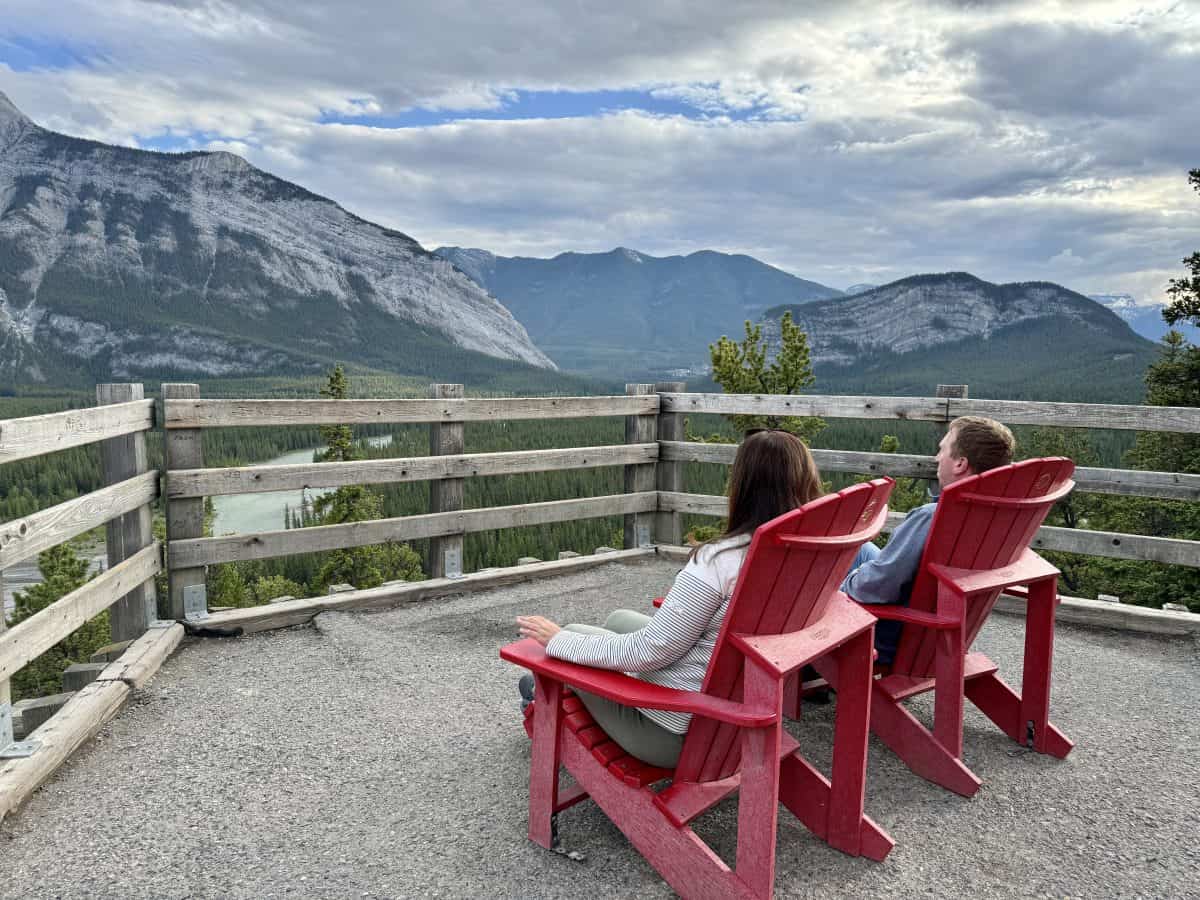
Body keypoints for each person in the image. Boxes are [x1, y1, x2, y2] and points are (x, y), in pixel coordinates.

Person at [514, 429, 830, 769]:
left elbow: (647, 651)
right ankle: (559, 684)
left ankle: (545, 691)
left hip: (678, 731)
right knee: (619, 618)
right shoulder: (808, 555)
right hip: (735, 702)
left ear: (743, 486)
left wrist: (558, 640)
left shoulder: (721, 562)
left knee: (569, 639)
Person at [841, 415, 1016, 664]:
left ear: (960, 464)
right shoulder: (994, 518)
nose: (936, 457)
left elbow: (876, 587)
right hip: (940, 631)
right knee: (861, 547)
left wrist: (843, 585)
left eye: (942, 449)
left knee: (816, 591)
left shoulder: (934, 517)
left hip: (891, 633)